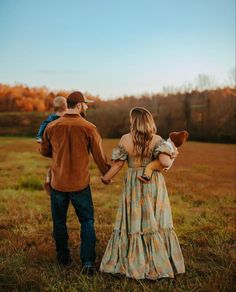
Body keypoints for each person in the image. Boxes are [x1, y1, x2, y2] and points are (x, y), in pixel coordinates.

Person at [100, 107, 185, 280]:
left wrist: (106, 178)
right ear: (149, 121)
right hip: (153, 182)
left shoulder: (125, 139)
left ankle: (132, 260)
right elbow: (164, 162)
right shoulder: (157, 139)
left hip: (133, 183)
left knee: (134, 221)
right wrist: (173, 154)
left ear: (134, 121)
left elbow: (117, 165)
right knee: (154, 219)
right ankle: (157, 260)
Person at [40, 91, 110, 274]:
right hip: (80, 185)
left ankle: (63, 258)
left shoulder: (52, 126)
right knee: (87, 221)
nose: (87, 107)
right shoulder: (89, 128)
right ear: (78, 105)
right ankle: (87, 263)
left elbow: (44, 151)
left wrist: (58, 155)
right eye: (86, 104)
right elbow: (100, 158)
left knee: (59, 221)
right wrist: (108, 174)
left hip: (58, 184)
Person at [36, 96, 67, 193]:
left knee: (55, 163)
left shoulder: (53, 117)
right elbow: (44, 125)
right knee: (56, 164)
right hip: (57, 145)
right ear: (65, 106)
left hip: (56, 145)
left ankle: (49, 179)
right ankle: (50, 179)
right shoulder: (60, 117)